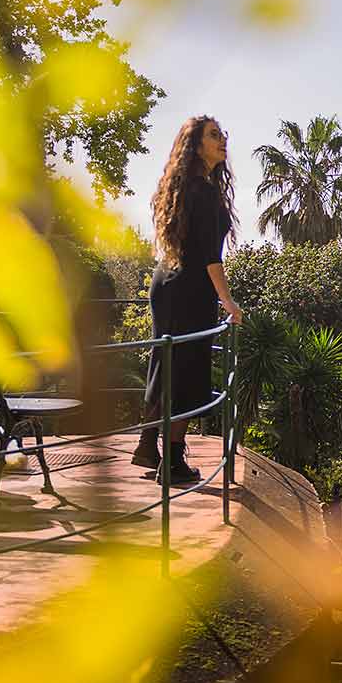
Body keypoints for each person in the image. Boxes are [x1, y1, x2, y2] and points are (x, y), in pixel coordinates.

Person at [136, 116, 244, 485]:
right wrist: (229, 303)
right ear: (196, 145)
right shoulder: (204, 191)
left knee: (166, 362)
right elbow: (211, 258)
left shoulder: (187, 188)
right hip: (190, 289)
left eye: (222, 134)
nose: (222, 140)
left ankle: (149, 445)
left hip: (167, 282)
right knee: (185, 370)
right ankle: (173, 464)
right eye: (214, 135)